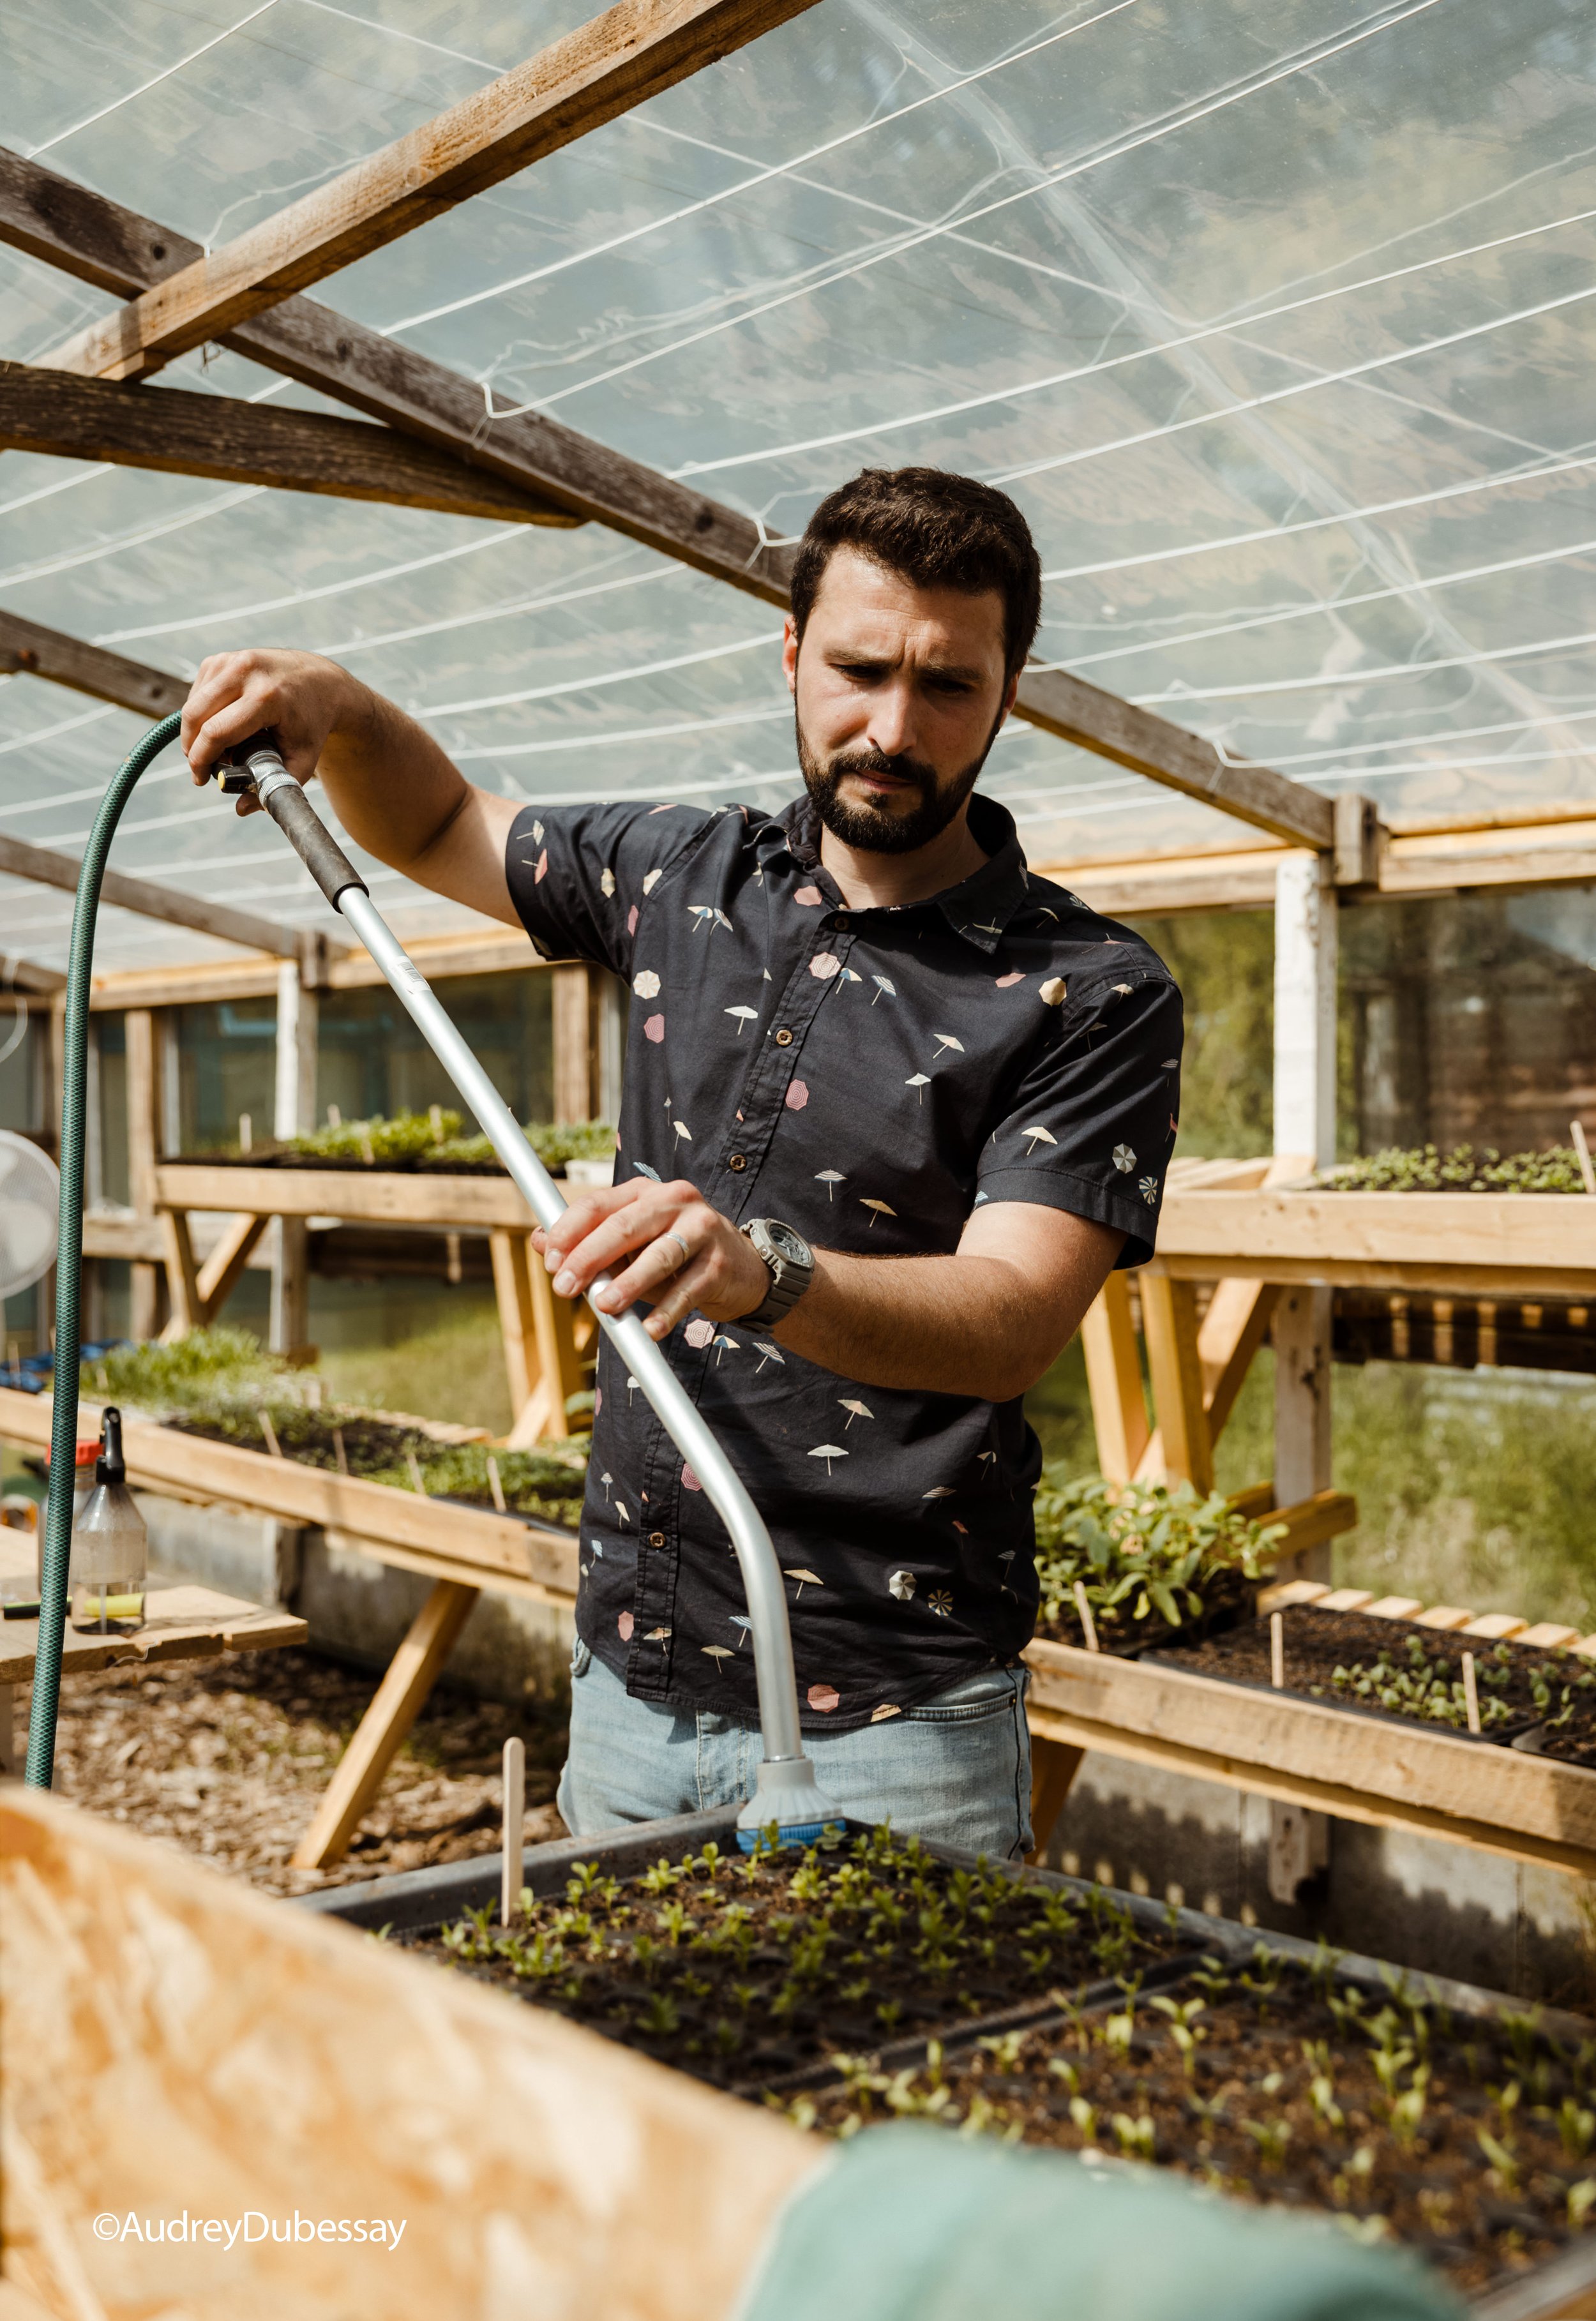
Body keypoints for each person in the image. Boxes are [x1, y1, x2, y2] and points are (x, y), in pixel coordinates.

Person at [182, 466, 1183, 1859]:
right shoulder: (678, 876)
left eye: (947, 686)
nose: (892, 727)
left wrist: (754, 1272)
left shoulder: (1084, 989)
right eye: (856, 669)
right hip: (631, 1686)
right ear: (789, 655)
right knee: (621, 2068)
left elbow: (1009, 1324)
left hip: (895, 1719)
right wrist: (341, 709)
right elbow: (431, 826)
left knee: (877, 2071)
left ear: (1009, 690)